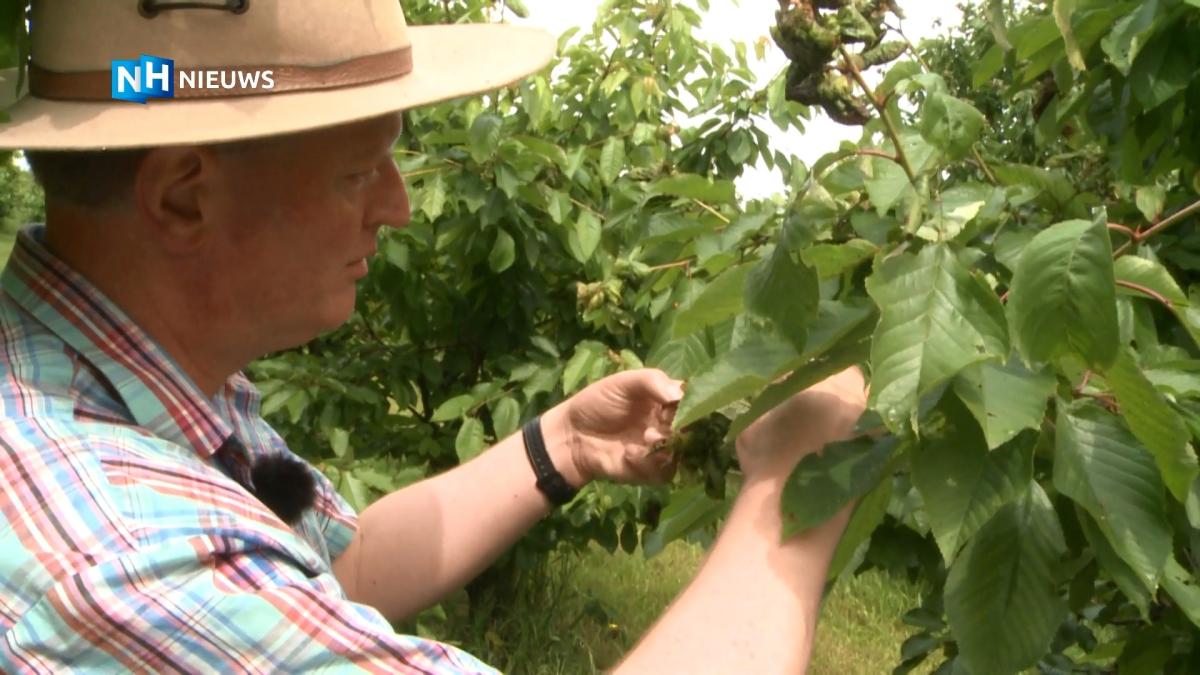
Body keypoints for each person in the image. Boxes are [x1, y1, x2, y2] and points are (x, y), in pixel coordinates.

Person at [0, 1, 868, 672]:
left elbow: (343, 564)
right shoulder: (119, 555)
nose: (399, 204)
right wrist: (793, 482)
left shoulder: (115, 380)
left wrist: (563, 442)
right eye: (356, 172)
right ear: (184, 195)